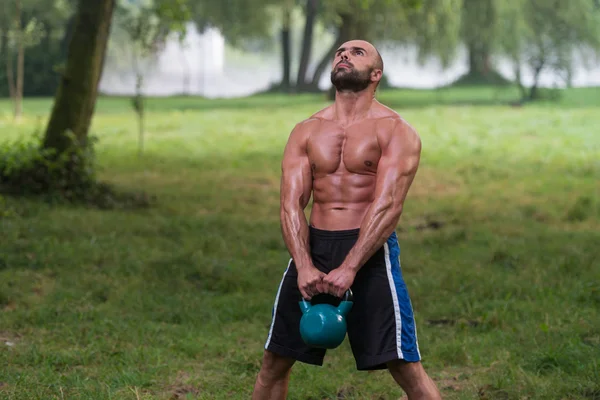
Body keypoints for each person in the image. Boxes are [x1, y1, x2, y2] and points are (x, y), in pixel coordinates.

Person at [252, 39, 442, 400]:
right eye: (341, 51)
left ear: (375, 74)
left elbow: (387, 205)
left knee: (404, 364)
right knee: (274, 362)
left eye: (357, 52)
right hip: (313, 247)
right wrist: (304, 265)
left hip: (369, 251)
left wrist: (351, 265)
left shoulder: (396, 131)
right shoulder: (306, 130)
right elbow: (291, 205)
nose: (344, 55)